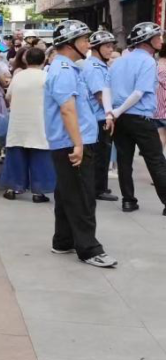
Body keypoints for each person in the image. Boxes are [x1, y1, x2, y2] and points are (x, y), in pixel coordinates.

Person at [43, 20, 117, 268]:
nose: (88, 44)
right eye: (84, 39)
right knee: (82, 196)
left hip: (71, 141)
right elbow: (67, 110)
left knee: (67, 193)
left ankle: (63, 241)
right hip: (72, 142)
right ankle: (89, 248)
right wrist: (78, 144)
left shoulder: (67, 68)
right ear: (69, 44)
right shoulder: (64, 70)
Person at [109, 21, 166, 214]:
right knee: (156, 159)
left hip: (121, 119)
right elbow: (139, 92)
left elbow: (108, 88)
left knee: (124, 161)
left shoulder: (120, 61)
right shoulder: (148, 61)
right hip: (139, 117)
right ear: (146, 41)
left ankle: (128, 200)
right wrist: (117, 111)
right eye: (157, 37)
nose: (161, 40)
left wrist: (115, 112)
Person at [0, 46, 55, 202]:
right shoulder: (47, 77)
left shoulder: (18, 76)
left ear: (25, 59)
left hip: (18, 122)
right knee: (40, 157)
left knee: (15, 155)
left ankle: (12, 188)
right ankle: (39, 192)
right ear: (44, 60)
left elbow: (8, 96)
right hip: (39, 122)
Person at [83, 30, 118, 201]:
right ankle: (98, 189)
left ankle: (100, 186)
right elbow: (99, 95)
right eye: (107, 46)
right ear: (96, 48)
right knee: (101, 154)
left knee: (103, 152)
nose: (110, 50)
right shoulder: (94, 67)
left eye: (112, 46)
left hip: (101, 116)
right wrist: (110, 114)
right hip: (99, 117)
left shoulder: (101, 66)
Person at [157, 41, 166, 149]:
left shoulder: (155, 65)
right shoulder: (164, 68)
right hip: (164, 108)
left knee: (161, 135)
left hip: (157, 108)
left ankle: (157, 162)